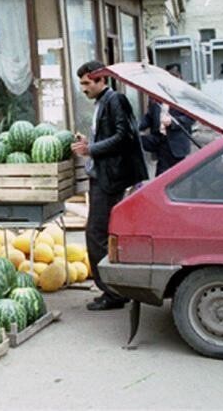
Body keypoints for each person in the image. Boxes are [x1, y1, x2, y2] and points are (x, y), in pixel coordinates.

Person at [71, 60, 148, 311]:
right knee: (101, 233)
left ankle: (112, 293)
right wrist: (88, 140)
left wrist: (91, 149)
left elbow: (124, 136)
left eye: (86, 83)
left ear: (101, 80)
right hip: (103, 176)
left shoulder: (116, 100)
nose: (83, 88)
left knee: (95, 233)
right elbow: (111, 135)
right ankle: (114, 290)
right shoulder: (102, 103)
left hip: (110, 177)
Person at [139, 63, 196, 176]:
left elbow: (191, 118)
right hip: (159, 139)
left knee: (177, 176)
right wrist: (136, 126)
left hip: (176, 142)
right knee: (134, 141)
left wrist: (173, 122)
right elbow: (149, 117)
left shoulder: (184, 96)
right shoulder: (156, 95)